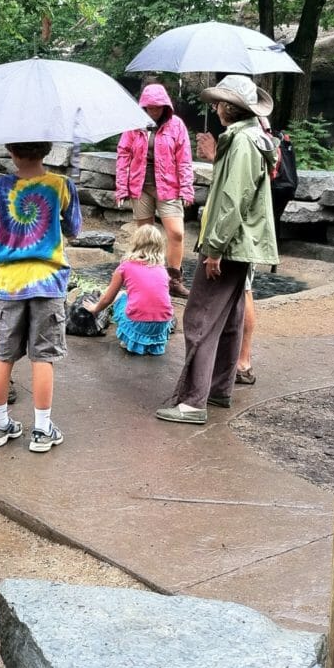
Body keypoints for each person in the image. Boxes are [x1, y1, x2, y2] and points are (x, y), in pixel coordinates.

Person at [156, 74, 278, 424]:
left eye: (219, 101)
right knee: (229, 318)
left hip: (230, 246)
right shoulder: (252, 138)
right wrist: (216, 154)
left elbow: (231, 199)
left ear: (230, 106)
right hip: (244, 246)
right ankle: (219, 390)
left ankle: (193, 402)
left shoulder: (241, 144)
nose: (214, 107)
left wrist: (214, 249)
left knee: (200, 317)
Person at [0, 141, 82, 452]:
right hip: (48, 284)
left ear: (10, 149)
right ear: (48, 149)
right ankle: (41, 429)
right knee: (43, 357)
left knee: (2, 355)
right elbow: (74, 228)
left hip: (9, 285)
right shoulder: (62, 185)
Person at [115, 83, 194, 298]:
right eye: (149, 107)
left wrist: (187, 187)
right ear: (143, 107)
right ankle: (147, 279)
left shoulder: (176, 126)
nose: (154, 111)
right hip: (140, 187)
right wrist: (121, 187)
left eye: (158, 107)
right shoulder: (134, 126)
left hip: (168, 187)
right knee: (145, 235)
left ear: (165, 106)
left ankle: (174, 280)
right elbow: (123, 155)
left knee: (176, 233)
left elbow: (184, 159)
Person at [82, 224, 174, 355]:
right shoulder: (162, 269)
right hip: (161, 325)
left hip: (138, 323)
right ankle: (151, 343)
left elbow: (108, 298)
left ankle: (129, 339)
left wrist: (95, 308)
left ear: (135, 243)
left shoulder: (126, 266)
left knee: (120, 296)